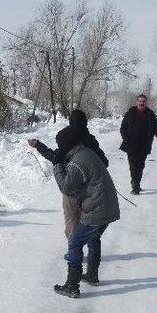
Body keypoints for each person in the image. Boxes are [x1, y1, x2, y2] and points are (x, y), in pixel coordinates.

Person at [51, 125, 120, 298]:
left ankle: (72, 286)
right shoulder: (86, 153)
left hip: (97, 210)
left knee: (75, 243)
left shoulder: (76, 162)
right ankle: (92, 275)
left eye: (60, 145)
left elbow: (66, 187)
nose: (59, 148)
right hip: (108, 208)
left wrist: (57, 165)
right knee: (94, 238)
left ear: (67, 144)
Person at [28, 109, 109, 239]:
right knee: (90, 222)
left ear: (70, 122)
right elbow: (104, 162)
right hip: (91, 189)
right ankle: (90, 251)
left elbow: (55, 157)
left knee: (71, 220)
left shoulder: (67, 138)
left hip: (72, 187)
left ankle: (74, 251)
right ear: (86, 123)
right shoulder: (90, 140)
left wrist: (38, 145)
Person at [119, 94, 157, 195]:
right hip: (131, 145)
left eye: (143, 101)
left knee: (140, 166)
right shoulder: (130, 112)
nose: (141, 103)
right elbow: (123, 128)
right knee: (133, 166)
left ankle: (136, 183)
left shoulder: (150, 114)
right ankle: (135, 187)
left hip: (144, 146)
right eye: (139, 101)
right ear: (137, 102)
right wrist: (126, 140)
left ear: (146, 103)